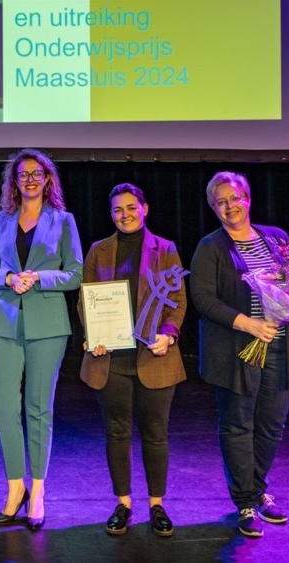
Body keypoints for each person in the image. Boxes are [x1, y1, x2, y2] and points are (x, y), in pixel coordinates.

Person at [0, 148, 84, 531]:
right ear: (14, 181)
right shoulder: (0, 220)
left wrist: (39, 277)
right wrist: (7, 279)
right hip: (3, 324)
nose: (31, 179)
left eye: (37, 173)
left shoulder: (64, 220)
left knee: (39, 409)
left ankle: (38, 491)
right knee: (5, 410)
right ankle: (14, 488)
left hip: (48, 325)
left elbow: (74, 273)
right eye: (23, 174)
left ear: (48, 179)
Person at [188, 171, 289, 539]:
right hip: (235, 349)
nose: (229, 206)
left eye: (234, 198)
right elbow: (203, 300)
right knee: (238, 425)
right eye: (220, 202)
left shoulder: (277, 238)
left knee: (271, 423)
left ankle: (258, 488)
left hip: (279, 345)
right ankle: (246, 502)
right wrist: (248, 324)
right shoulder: (210, 246)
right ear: (213, 208)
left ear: (247, 198)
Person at [79, 183, 187, 537]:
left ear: (144, 208)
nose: (124, 215)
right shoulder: (99, 250)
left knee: (156, 434)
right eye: (116, 210)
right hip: (109, 360)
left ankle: (156, 505)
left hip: (154, 356)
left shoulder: (165, 249)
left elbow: (177, 300)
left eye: (130, 208)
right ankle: (123, 504)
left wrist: (168, 334)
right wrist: (95, 335)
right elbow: (86, 300)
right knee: (117, 433)